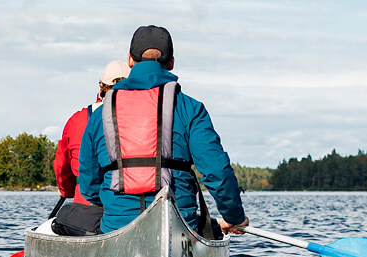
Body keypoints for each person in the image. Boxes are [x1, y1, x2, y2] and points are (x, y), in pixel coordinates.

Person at [79, 25, 247, 236]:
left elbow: (89, 185)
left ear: (130, 60)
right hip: (177, 229)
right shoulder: (190, 109)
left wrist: (115, 204)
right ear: (171, 63)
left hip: (116, 227)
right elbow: (217, 172)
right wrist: (234, 217)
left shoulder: (100, 115)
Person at [53, 60, 131, 206]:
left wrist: (66, 191)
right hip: (127, 204)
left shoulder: (76, 120)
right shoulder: (141, 117)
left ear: (101, 86)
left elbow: (62, 165)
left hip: (85, 203)